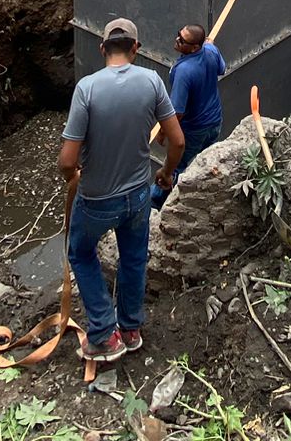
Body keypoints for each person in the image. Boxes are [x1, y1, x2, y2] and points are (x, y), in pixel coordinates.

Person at [58, 19, 185, 364]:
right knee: (133, 258)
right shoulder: (151, 82)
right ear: (135, 49)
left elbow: (67, 159)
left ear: (103, 50)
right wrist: (166, 172)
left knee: (81, 253)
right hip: (138, 197)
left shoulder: (87, 88)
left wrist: (75, 175)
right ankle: (130, 329)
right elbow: (177, 140)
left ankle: (103, 334)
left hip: (97, 198)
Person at [151, 24, 225, 210]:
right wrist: (210, 47)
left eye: (182, 40)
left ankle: (155, 204)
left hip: (194, 128)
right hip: (214, 122)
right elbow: (221, 68)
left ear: (194, 47)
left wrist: (162, 132)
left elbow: (177, 111)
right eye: (178, 35)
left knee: (175, 166)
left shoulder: (184, 71)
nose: (177, 40)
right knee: (204, 162)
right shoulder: (210, 50)